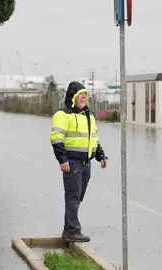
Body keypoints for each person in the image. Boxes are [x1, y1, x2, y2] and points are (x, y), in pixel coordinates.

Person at [50, 81, 108, 242]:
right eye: (81, 94)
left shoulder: (89, 115)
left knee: (78, 196)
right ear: (73, 96)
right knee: (73, 196)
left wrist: (101, 156)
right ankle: (72, 230)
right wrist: (62, 160)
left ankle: (69, 228)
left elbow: (93, 138)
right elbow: (56, 139)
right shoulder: (62, 115)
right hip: (71, 161)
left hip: (86, 163)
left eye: (85, 94)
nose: (84, 97)